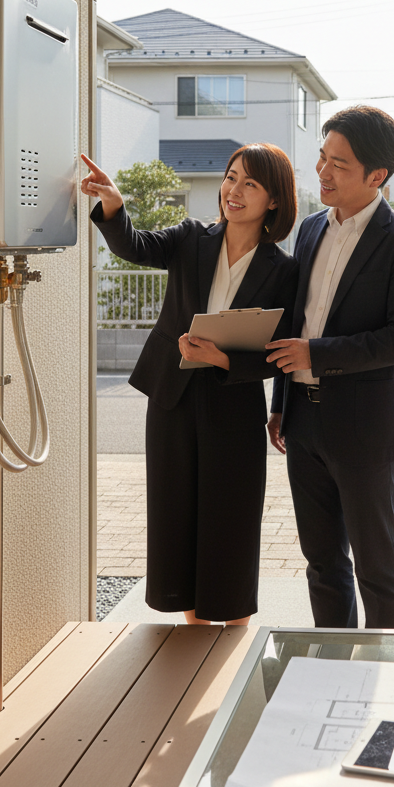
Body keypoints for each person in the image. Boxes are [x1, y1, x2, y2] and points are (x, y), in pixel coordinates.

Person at [81, 144, 299, 625]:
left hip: (234, 400)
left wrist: (222, 358)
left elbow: (282, 350)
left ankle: (235, 622)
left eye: (250, 184)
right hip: (172, 398)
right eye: (230, 177)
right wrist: (115, 205)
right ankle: (193, 628)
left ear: (275, 200)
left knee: (232, 517)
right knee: (175, 510)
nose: (233, 191)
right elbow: (133, 246)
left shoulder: (285, 269)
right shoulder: (190, 237)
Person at [265, 106, 394, 630]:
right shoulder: (310, 230)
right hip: (304, 425)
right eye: (322, 157)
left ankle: (386, 673)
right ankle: (331, 667)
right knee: (322, 564)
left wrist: (319, 356)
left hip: (364, 430)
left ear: (376, 176)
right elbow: (298, 321)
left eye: (338, 163)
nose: (322, 171)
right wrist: (281, 405)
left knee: (376, 566)